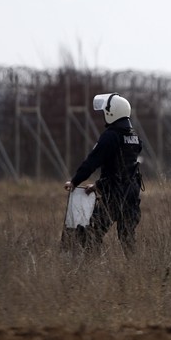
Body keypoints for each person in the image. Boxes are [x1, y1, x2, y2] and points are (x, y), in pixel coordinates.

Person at [64, 93, 143, 255]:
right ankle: (137, 267)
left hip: (114, 194)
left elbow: (93, 161)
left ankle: (90, 271)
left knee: (93, 231)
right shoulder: (134, 137)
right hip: (132, 193)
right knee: (127, 237)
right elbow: (123, 171)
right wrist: (97, 186)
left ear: (111, 112)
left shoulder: (111, 136)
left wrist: (75, 181)